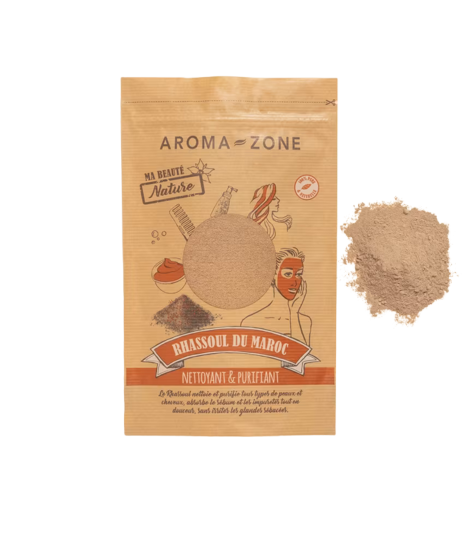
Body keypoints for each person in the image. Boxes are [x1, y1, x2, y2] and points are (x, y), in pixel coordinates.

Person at [241, 248, 312, 346]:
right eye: (288, 274)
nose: (295, 282)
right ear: (272, 275)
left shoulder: (304, 321)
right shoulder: (250, 322)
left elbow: (301, 355)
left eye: (298, 274)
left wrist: (294, 313)